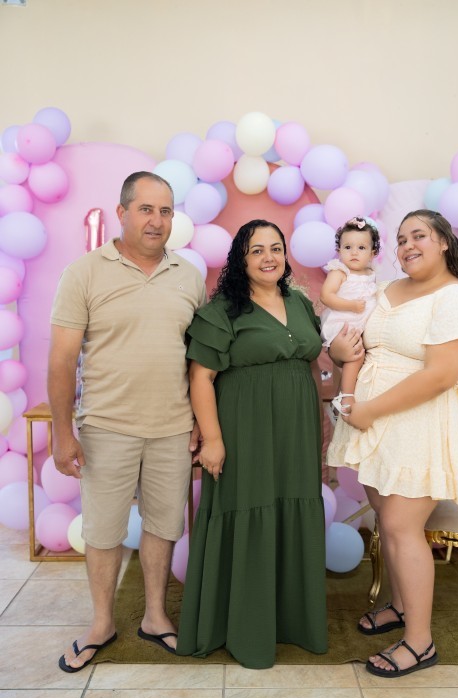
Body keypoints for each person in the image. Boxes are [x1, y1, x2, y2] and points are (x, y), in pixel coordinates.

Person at [48, 171, 206, 672]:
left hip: (173, 426)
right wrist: (62, 432)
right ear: (122, 212)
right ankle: (102, 623)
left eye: (165, 211)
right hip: (106, 426)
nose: (156, 221)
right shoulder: (84, 272)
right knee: (103, 530)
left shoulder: (188, 276)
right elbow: (61, 360)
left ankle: (155, 616)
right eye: (146, 209)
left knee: (163, 524)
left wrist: (202, 422)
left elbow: (199, 361)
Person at [327, 209, 458, 678]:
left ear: (444, 242)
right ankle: (401, 606)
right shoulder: (387, 290)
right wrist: (338, 355)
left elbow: (440, 375)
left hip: (416, 425)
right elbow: (354, 342)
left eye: (418, 235)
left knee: (402, 526)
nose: (407, 246)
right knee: (386, 516)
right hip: (374, 424)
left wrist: (369, 410)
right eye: (400, 239)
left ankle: (420, 643)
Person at [176, 219, 328, 669]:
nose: (268, 257)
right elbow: (200, 377)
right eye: (256, 249)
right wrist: (213, 439)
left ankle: (291, 623)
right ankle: (243, 628)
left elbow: (311, 364)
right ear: (240, 259)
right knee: (248, 508)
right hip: (245, 430)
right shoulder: (224, 309)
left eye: (275, 248)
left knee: (290, 508)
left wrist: (323, 417)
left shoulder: (300, 303)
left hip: (296, 430)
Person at [320, 217, 379, 415]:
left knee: (362, 360)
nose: (354, 252)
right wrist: (351, 305)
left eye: (361, 248)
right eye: (348, 247)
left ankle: (341, 394)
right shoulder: (340, 272)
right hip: (343, 323)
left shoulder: (370, 274)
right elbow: (326, 296)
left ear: (372, 253)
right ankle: (346, 397)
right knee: (355, 356)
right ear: (339, 251)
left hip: (361, 323)